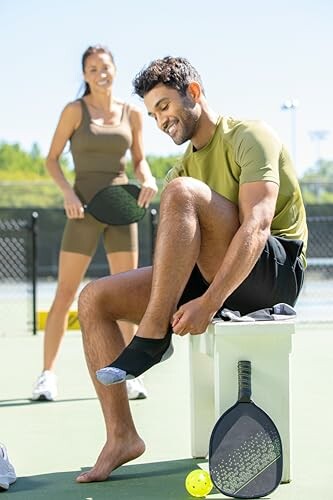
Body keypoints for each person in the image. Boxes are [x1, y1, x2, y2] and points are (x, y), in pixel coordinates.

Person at [75, 56, 307, 483]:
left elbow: (256, 225)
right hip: (214, 269)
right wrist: (188, 295)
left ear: (194, 94)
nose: (160, 120)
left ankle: (150, 337)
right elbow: (174, 256)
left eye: (164, 107)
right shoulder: (183, 168)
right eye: (151, 113)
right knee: (94, 300)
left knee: (181, 192)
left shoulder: (249, 136)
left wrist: (209, 302)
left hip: (273, 271)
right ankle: (121, 437)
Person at [31, 45, 158, 402]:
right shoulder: (74, 111)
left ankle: (130, 373)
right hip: (82, 211)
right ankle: (47, 376)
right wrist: (68, 195)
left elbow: (140, 160)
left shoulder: (132, 113)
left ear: (115, 70)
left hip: (121, 210)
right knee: (65, 294)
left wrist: (148, 179)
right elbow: (52, 160)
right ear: (85, 75)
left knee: (127, 298)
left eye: (105, 66)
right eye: (92, 69)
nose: (100, 72)